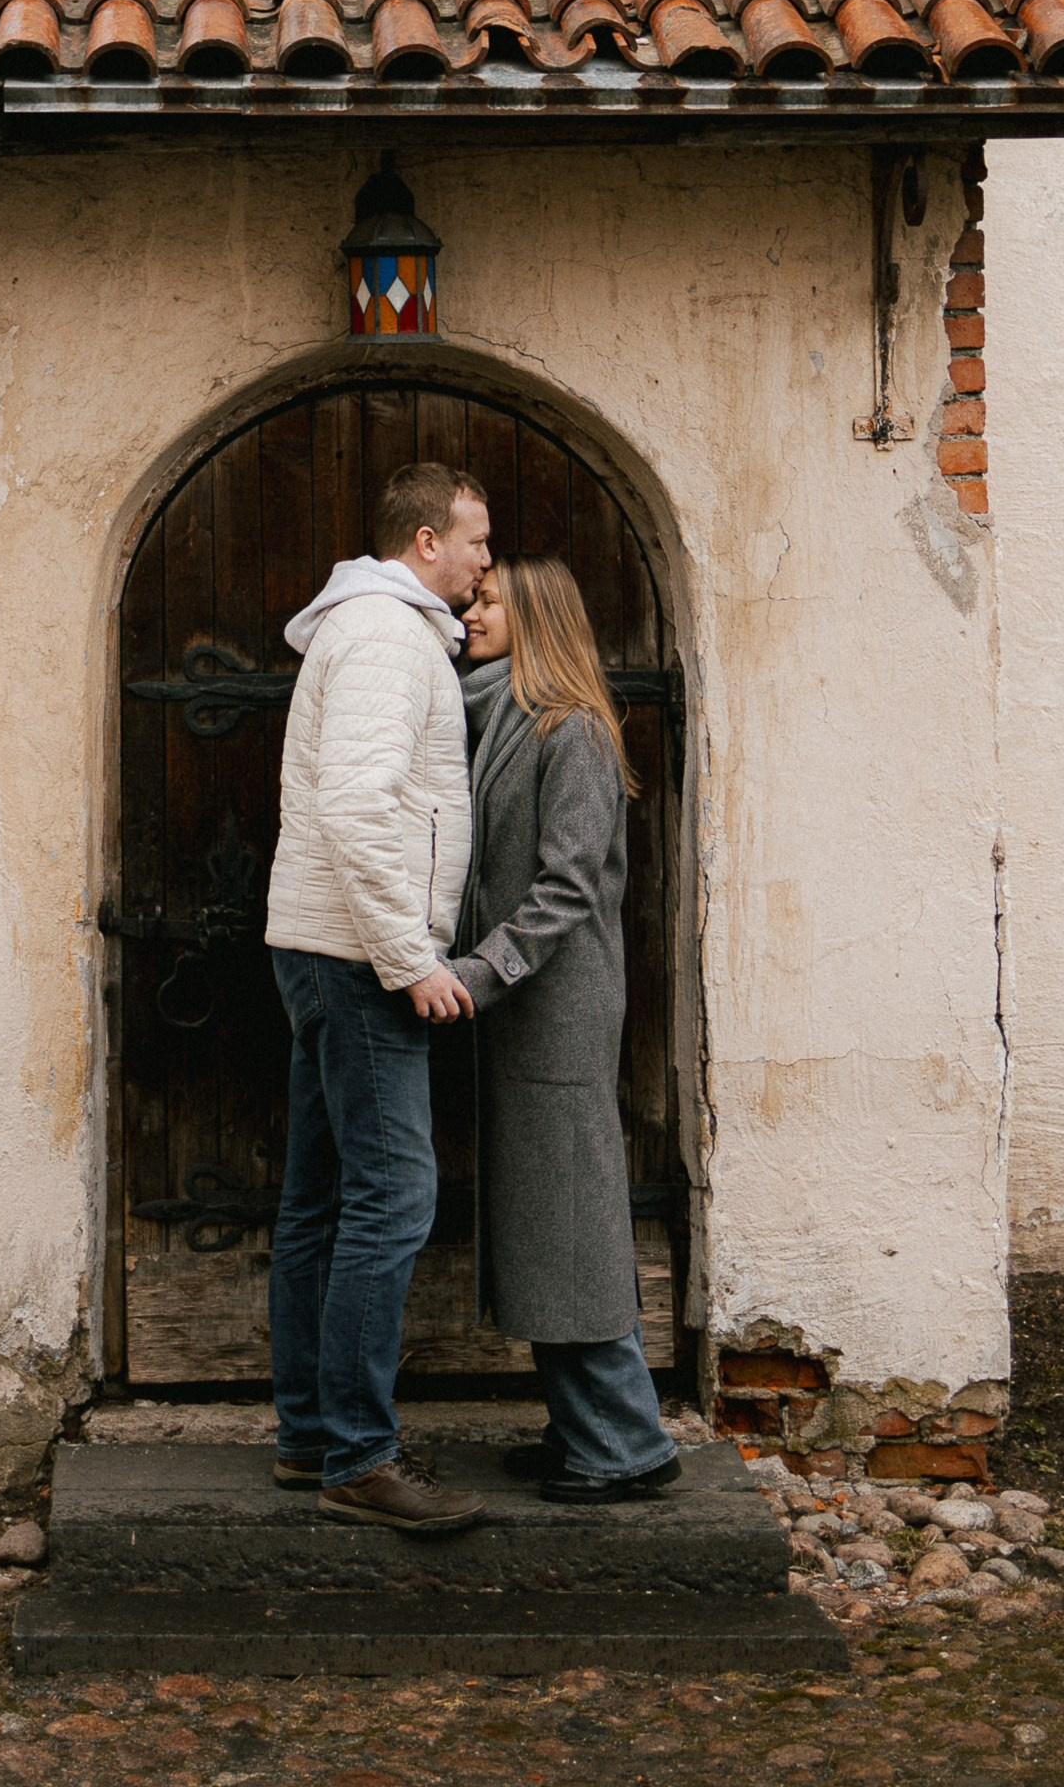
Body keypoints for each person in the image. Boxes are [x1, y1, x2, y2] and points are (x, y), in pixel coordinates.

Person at [265, 459, 491, 1536]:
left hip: (324, 948)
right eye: (476, 541)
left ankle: (312, 1432)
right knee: (394, 1196)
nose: (486, 561)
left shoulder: (377, 631)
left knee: (321, 1197)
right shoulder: (390, 640)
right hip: (357, 961)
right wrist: (409, 957)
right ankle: (358, 1455)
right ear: (423, 545)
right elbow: (356, 805)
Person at [445, 555, 682, 1505]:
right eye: (476, 595)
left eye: (492, 600)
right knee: (543, 1217)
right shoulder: (501, 712)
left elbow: (569, 884)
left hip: (556, 1009)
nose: (472, 609)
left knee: (572, 1218)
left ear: (539, 617)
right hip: (524, 1014)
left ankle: (627, 1444)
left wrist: (484, 967)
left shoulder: (572, 727)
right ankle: (581, 1427)